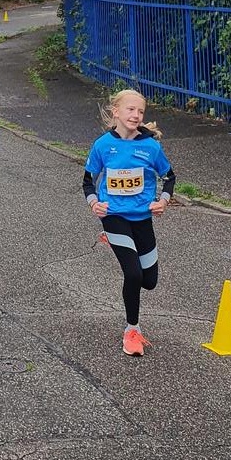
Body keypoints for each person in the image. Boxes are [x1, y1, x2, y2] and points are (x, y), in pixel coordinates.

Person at [82, 88, 174, 356]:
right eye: (130, 109)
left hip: (142, 218)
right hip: (114, 217)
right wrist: (94, 203)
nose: (136, 115)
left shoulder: (150, 147)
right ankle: (132, 330)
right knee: (133, 274)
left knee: (149, 280)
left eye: (140, 111)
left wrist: (163, 201)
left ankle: (119, 243)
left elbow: (170, 177)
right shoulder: (102, 145)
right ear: (116, 112)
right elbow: (88, 181)